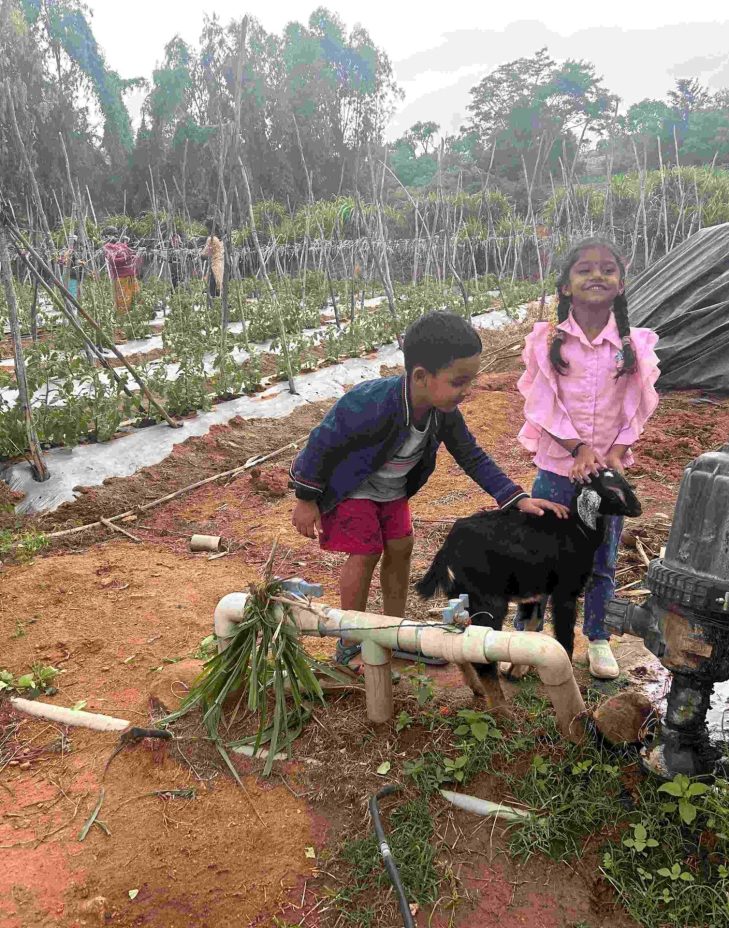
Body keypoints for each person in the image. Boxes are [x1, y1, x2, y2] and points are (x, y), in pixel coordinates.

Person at [290, 311, 568, 670]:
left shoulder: (443, 412)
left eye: (470, 380)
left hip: (391, 492)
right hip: (352, 489)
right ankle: (349, 643)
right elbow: (321, 442)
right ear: (421, 376)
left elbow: (471, 455)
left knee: (401, 546)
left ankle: (395, 634)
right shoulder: (370, 402)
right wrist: (306, 498)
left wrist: (516, 498)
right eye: (458, 381)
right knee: (366, 552)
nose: (466, 390)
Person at [514, 237, 659, 679]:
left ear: (621, 283)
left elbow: (640, 403)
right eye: (585, 269)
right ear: (565, 286)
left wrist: (616, 451)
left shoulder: (634, 346)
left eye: (608, 269)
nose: (597, 275)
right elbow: (542, 402)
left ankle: (596, 637)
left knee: (602, 557)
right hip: (558, 469)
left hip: (606, 474)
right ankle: (527, 638)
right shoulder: (547, 341)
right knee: (541, 553)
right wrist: (577, 449)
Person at [103, 230, 141, 316]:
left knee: (136, 297)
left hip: (131, 275)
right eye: (113, 234)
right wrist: (128, 257)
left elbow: (131, 252)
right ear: (107, 236)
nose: (116, 236)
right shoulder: (107, 247)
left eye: (116, 234)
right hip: (121, 277)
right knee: (123, 301)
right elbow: (113, 261)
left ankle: (136, 316)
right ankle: (123, 319)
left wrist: (138, 252)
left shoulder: (121, 245)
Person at [201, 221, 223, 298]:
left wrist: (201, 255)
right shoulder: (218, 239)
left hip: (214, 264)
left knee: (212, 283)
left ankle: (213, 299)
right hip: (219, 262)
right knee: (217, 283)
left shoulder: (211, 239)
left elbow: (207, 252)